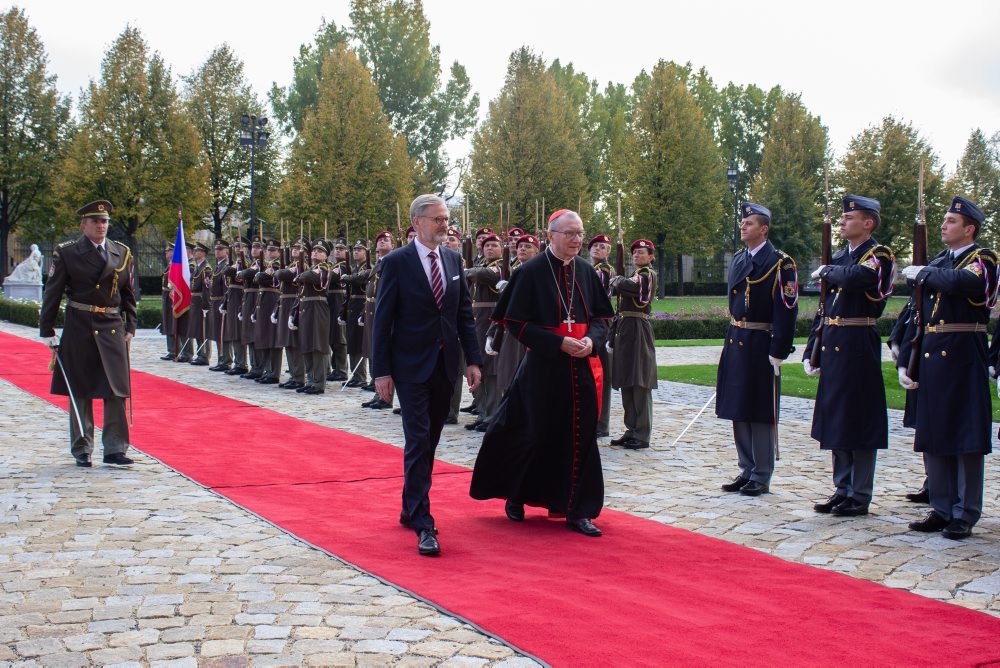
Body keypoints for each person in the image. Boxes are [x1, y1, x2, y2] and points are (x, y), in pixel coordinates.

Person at [470, 209, 614, 537]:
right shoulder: (531, 272)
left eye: (580, 233)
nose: (577, 240)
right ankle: (517, 495)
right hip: (543, 366)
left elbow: (604, 317)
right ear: (552, 235)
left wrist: (591, 340)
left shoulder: (588, 272)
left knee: (580, 436)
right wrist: (557, 342)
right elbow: (517, 323)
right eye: (570, 234)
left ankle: (577, 509)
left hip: (581, 364)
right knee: (532, 433)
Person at [372, 194, 483, 556]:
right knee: (418, 439)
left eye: (446, 218)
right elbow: (383, 320)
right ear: (417, 222)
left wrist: (473, 360)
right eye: (437, 219)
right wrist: (382, 371)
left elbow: (463, 313)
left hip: (445, 365)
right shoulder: (396, 263)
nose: (444, 225)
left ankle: (409, 503)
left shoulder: (453, 259)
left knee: (430, 439)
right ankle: (423, 520)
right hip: (409, 366)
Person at [897, 197, 997, 540]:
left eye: (951, 221)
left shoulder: (983, 259)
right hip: (931, 351)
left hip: (962, 353)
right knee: (935, 430)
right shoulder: (940, 261)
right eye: (944, 220)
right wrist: (905, 358)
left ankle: (965, 511)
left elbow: (962, 284)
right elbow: (918, 312)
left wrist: (925, 273)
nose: (944, 226)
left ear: (969, 229)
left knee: (964, 431)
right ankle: (941, 506)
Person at [803, 195, 895, 517]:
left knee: (860, 418)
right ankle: (841, 488)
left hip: (858, 342)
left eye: (849, 217)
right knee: (838, 419)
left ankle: (860, 493)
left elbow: (861, 279)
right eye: (842, 218)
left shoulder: (878, 255)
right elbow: (823, 309)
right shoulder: (840, 256)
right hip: (834, 342)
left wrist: (828, 270)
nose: (842, 222)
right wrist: (811, 349)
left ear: (868, 223)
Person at [39, 200, 137, 468]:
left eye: (104, 221)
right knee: (80, 390)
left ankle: (115, 448)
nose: (101, 226)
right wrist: (46, 329)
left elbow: (128, 295)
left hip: (112, 326)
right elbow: (53, 292)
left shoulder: (121, 252)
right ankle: (83, 447)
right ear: (83, 225)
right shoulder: (68, 253)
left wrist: (131, 328)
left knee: (116, 390)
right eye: (95, 221)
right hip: (80, 326)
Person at [715, 203, 798, 496]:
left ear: (763, 228)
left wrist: (779, 349)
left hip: (761, 341)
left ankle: (761, 473)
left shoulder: (780, 263)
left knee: (760, 410)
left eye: (749, 223)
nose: (743, 226)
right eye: (743, 222)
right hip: (737, 339)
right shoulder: (739, 259)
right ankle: (746, 468)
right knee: (739, 406)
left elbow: (787, 310)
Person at [608, 239, 658, 450]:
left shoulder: (647, 275)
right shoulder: (634, 275)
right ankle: (631, 429)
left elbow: (637, 292)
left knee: (639, 380)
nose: (637, 255)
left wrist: (617, 280)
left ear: (651, 257)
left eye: (641, 252)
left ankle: (642, 432)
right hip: (625, 327)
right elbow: (616, 290)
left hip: (638, 327)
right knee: (627, 378)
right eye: (634, 253)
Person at [464, 234, 505, 432]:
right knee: (476, 363)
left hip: (489, 316)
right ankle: (482, 412)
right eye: (487, 245)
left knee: (490, 368)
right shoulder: (481, 264)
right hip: (476, 317)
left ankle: (492, 413)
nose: (489, 248)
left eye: (494, 245)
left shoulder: (500, 266)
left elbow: (485, 275)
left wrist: (467, 271)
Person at [294, 239, 333, 394]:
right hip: (307, 308)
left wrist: (301, 275)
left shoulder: (324, 267)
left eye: (320, 251)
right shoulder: (312, 267)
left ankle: (319, 382)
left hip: (318, 307)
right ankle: (311, 380)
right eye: (314, 250)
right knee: (307, 344)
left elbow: (311, 277)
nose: (316, 252)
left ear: (326, 257)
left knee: (318, 346)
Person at [589, 233, 616, 438]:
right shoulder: (592, 269)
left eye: (602, 247)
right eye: (595, 246)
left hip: (600, 322)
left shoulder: (603, 270)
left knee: (601, 375)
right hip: (589, 322)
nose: (598, 249)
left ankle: (601, 422)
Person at [252, 240, 282, 384]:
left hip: (272, 299)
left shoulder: (277, 264)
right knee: (264, 336)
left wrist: (260, 275)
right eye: (269, 250)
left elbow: (261, 277)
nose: (270, 252)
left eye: (273, 250)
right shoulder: (267, 265)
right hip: (263, 299)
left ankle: (274, 372)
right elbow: (258, 277)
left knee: (272, 337)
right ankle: (267, 370)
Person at [341, 241, 371, 387]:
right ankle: (355, 374)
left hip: (361, 304)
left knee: (359, 342)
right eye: (355, 250)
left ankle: (360, 376)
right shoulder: (354, 267)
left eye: (359, 250)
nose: (356, 252)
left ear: (366, 253)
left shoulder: (367, 266)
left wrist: (348, 278)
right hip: (353, 305)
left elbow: (361, 278)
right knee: (352, 341)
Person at [222, 238, 249, 376]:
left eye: (240, 247)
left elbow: (231, 273)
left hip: (240, 296)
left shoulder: (247, 263)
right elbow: (226, 272)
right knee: (233, 330)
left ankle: (242, 363)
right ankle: (238, 362)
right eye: (235, 246)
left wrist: (232, 268)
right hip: (233, 296)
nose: (237, 249)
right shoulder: (235, 263)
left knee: (239, 331)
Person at [208, 239, 233, 372]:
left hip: (222, 301)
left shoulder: (226, 267)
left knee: (224, 332)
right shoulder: (218, 266)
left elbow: (227, 288)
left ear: (227, 252)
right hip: (215, 301)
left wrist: (225, 303)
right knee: (218, 332)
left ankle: (226, 360)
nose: (217, 251)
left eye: (220, 249)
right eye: (216, 249)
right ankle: (221, 359)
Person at [327, 239, 350, 382]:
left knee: (339, 338)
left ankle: (341, 370)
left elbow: (334, 276)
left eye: (341, 249)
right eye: (337, 249)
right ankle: (336, 368)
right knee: (332, 336)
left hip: (338, 300)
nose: (338, 251)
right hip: (331, 300)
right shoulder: (334, 265)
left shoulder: (343, 266)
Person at [187, 241, 212, 366]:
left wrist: (206, 305)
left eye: (197, 251)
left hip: (201, 301)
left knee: (203, 329)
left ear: (203, 253)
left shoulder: (206, 268)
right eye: (195, 250)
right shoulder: (198, 267)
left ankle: (205, 355)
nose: (195, 252)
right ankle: (200, 353)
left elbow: (206, 288)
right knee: (197, 329)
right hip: (195, 301)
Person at [159, 244, 176, 361]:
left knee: (172, 323)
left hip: (172, 297)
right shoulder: (169, 266)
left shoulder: (175, 266)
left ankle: (175, 350)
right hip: (166, 296)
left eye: (169, 251)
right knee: (167, 323)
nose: (166, 253)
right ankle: (171, 350)